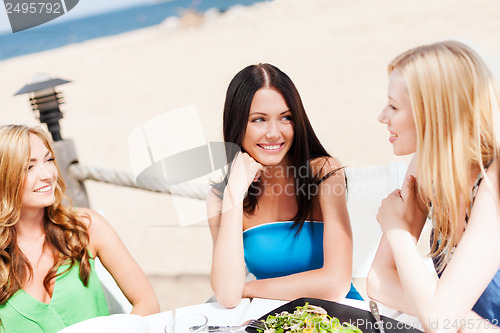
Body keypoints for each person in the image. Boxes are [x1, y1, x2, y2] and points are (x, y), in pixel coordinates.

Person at [366, 41, 500, 332]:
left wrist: (398, 232)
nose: (382, 116)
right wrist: (467, 322)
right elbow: (378, 281)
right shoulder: (427, 165)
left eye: (394, 106)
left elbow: (440, 323)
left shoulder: (494, 181)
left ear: (434, 115)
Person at [207, 63, 362, 308]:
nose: (274, 133)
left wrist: (248, 289)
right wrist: (234, 194)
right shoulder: (221, 197)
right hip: (273, 321)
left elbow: (335, 284)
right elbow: (227, 294)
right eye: (259, 120)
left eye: (285, 118)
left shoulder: (322, 173)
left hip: (339, 317)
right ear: (237, 124)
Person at [0, 125, 159, 333]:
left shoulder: (86, 226)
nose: (48, 174)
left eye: (49, 160)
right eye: (29, 167)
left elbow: (147, 304)